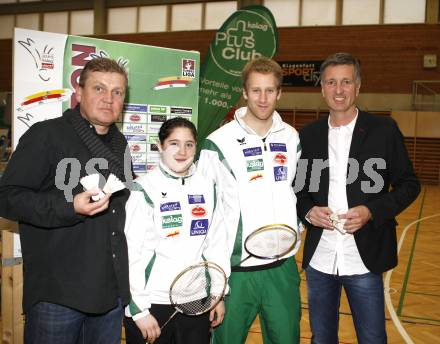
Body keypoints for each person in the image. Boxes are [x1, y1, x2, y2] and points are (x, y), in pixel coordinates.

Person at [0, 57, 132, 344]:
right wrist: (69, 207)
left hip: (109, 295)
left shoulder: (121, 145)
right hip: (58, 295)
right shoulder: (46, 135)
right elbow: (7, 198)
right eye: (99, 89)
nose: (108, 99)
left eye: (117, 92)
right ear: (79, 93)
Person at [295, 52, 421, 343]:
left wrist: (371, 211)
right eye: (331, 82)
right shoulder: (309, 135)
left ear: (358, 86)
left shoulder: (384, 130)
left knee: (373, 339)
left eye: (346, 82)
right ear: (323, 88)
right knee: (322, 338)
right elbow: (300, 190)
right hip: (320, 259)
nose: (338, 90)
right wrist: (308, 211)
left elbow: (409, 184)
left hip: (364, 258)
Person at [198, 57, 302, 344]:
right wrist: (214, 282)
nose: (263, 98)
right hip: (236, 272)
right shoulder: (218, 142)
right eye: (256, 90)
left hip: (282, 269)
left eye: (270, 90)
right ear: (244, 92)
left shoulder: (292, 138)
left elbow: (294, 192)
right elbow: (206, 214)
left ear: (280, 93)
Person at [123, 117, 230, 344]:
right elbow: (131, 255)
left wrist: (217, 294)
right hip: (152, 306)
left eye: (189, 144)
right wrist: (139, 310)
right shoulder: (144, 190)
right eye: (174, 143)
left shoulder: (207, 187)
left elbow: (216, 244)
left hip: (197, 301)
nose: (182, 151)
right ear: (160, 146)